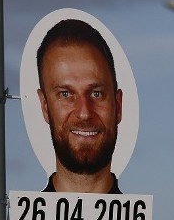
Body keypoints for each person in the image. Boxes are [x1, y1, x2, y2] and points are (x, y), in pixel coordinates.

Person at [37, 18, 123, 194]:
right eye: (65, 94)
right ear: (45, 107)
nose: (84, 113)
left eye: (96, 93)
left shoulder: (160, 218)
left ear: (118, 105)